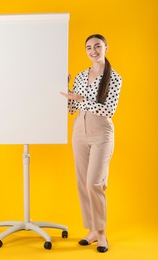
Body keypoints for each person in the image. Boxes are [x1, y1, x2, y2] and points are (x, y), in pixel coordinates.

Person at [60, 34, 122, 253]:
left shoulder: (114, 77)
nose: (93, 50)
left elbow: (109, 110)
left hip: (101, 133)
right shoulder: (80, 76)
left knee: (94, 183)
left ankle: (102, 233)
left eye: (97, 46)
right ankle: (93, 230)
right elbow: (71, 110)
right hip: (79, 130)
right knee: (81, 183)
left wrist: (81, 100)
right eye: (88, 47)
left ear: (106, 47)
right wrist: (66, 87)